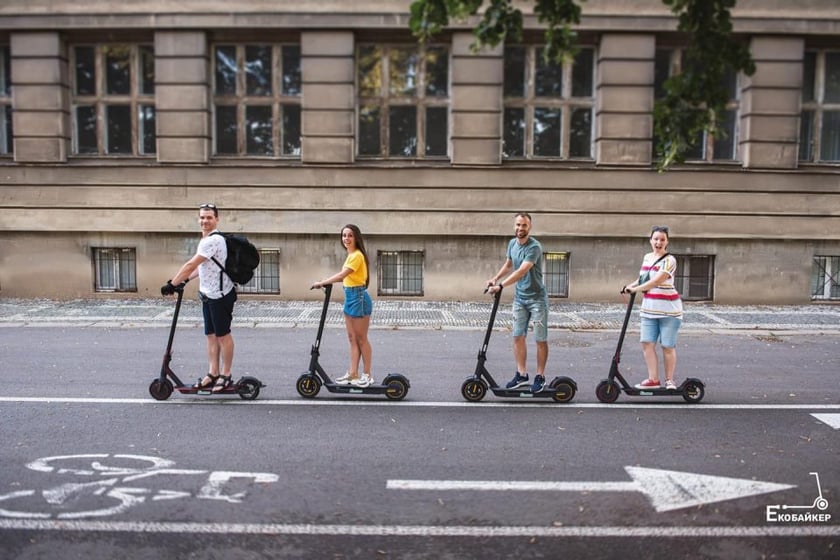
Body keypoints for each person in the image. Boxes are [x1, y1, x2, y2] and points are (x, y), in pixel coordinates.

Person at [161, 203, 237, 393]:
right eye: (202, 217)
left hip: (220, 296)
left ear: (217, 219)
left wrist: (172, 284)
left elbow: (190, 264)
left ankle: (226, 375)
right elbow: (200, 267)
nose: (205, 221)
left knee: (223, 336)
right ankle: (213, 373)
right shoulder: (206, 239)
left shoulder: (211, 241)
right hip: (208, 295)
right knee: (211, 336)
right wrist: (182, 281)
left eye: (209, 217)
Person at [486, 212, 550, 393]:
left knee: (540, 339)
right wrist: (495, 278)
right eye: (518, 225)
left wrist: (501, 286)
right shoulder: (512, 244)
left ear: (529, 227)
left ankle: (540, 376)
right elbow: (509, 264)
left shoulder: (534, 247)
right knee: (517, 336)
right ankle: (521, 374)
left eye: (524, 225)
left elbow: (521, 271)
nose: (520, 228)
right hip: (520, 299)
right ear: (514, 226)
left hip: (537, 300)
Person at [311, 224, 374, 387]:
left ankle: (367, 374)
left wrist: (322, 282)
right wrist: (324, 282)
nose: (346, 238)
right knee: (352, 338)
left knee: (361, 339)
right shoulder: (351, 255)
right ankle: (353, 374)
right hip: (350, 297)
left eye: (350, 235)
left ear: (356, 238)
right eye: (344, 235)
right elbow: (344, 277)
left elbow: (342, 274)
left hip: (358, 298)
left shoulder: (357, 256)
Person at [622, 225, 683, 390]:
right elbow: (644, 278)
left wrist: (636, 289)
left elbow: (657, 280)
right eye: (656, 239)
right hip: (649, 309)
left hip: (669, 310)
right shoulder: (648, 257)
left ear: (667, 241)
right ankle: (653, 379)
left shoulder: (670, 260)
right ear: (651, 240)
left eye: (662, 239)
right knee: (647, 343)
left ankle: (669, 380)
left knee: (667, 346)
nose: (658, 242)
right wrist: (630, 286)